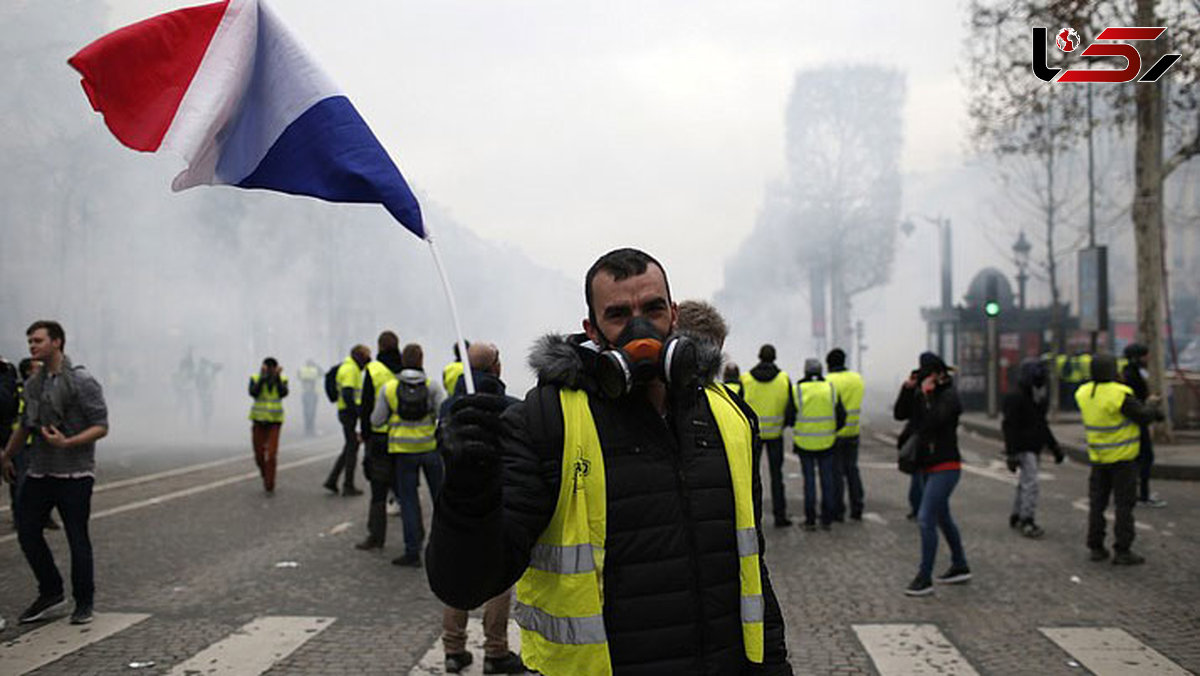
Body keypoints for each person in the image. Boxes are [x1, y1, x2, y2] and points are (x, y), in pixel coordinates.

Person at [427, 248, 792, 676]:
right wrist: (468, 494)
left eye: (652, 309)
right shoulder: (546, 423)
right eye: (619, 314)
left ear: (673, 315)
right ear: (592, 329)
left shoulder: (727, 415)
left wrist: (774, 665)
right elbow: (466, 585)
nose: (640, 328)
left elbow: (751, 568)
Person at [1, 321, 109, 625]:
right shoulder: (34, 383)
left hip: (75, 473)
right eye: (30, 342)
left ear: (57, 342)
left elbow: (101, 425)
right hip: (40, 469)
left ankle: (84, 601)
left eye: (37, 341)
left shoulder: (81, 380)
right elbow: (25, 425)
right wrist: (7, 456)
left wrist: (68, 442)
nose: (32, 346)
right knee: (27, 530)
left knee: (77, 536)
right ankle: (50, 591)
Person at [437, 342, 525, 674]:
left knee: (458, 570)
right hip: (498, 501)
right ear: (496, 367)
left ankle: (453, 647)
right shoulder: (510, 406)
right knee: (499, 579)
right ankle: (496, 651)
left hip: (455, 502)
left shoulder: (449, 407)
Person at [894, 352, 970, 597]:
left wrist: (928, 396)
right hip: (927, 465)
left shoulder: (949, 396)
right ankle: (960, 564)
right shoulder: (923, 393)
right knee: (942, 517)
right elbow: (900, 414)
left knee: (926, 517)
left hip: (946, 466)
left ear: (938, 375)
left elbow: (934, 422)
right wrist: (908, 389)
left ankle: (924, 577)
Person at [1076, 353, 1163, 565]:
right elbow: (1142, 416)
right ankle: (1122, 550)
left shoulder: (1084, 393)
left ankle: (1096, 547)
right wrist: (1152, 404)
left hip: (1098, 457)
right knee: (1124, 506)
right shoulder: (1119, 394)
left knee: (1097, 505)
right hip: (1123, 459)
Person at [372, 343, 445, 567]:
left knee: (409, 502)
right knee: (441, 501)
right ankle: (446, 547)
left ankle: (412, 551)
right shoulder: (432, 386)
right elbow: (443, 414)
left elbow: (376, 420)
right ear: (421, 360)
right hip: (429, 449)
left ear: (403, 360)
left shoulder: (390, 388)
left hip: (403, 453)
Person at [1002, 359, 1063, 538]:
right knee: (1030, 483)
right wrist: (1011, 452)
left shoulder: (1032, 395)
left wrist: (1054, 446)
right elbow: (1010, 426)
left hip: (1030, 446)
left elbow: (1041, 424)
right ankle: (1026, 519)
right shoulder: (1020, 397)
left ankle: (1017, 514)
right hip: (1024, 446)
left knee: (1025, 482)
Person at [355, 332, 403, 552]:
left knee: (378, 489)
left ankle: (376, 536)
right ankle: (413, 542)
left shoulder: (373, 370)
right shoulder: (407, 369)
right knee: (406, 491)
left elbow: (366, 407)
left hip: (379, 437)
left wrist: (364, 434)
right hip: (404, 438)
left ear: (379, 347)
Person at [740, 344, 797, 528]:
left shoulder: (746, 379)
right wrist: (783, 424)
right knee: (776, 477)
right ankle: (779, 515)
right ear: (774, 357)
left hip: (754, 435)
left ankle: (752, 518)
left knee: (752, 478)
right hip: (776, 435)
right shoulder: (783, 379)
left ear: (759, 356)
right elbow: (791, 409)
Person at [792, 358, 845, 531]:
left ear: (805, 371)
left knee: (809, 481)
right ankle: (827, 518)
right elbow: (842, 416)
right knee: (827, 480)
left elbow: (790, 416)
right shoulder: (830, 388)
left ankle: (810, 519)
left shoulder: (798, 389)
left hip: (804, 442)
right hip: (827, 442)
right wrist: (831, 429)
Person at [1121, 343, 1166, 508]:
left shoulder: (1132, 372)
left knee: (1139, 459)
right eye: (1144, 356)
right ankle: (1143, 495)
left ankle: (1137, 493)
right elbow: (1139, 402)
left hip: (1136, 421)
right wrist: (1153, 409)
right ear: (1136, 357)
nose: (1147, 359)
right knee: (1145, 457)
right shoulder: (1132, 376)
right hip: (1137, 422)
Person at [825, 348, 865, 522]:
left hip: (834, 433)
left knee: (836, 473)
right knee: (852, 470)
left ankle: (838, 510)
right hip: (853, 431)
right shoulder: (857, 379)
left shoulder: (828, 381)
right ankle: (857, 506)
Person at [325, 345, 370, 496]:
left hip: (346, 412)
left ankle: (332, 480)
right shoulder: (351, 369)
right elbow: (348, 394)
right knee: (352, 448)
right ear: (359, 356)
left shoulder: (350, 367)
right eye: (366, 357)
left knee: (350, 446)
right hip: (349, 413)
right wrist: (359, 412)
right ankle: (347, 485)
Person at [248, 357, 288, 494]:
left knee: (271, 454)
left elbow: (283, 393)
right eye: (268, 367)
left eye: (273, 367)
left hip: (274, 422)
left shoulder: (282, 379)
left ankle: (269, 483)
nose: (270, 370)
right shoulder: (255, 378)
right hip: (258, 421)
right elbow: (253, 392)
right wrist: (263, 378)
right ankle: (265, 473)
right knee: (259, 455)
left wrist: (276, 377)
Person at [297, 359, 322, 437]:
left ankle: (307, 429)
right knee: (312, 412)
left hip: (304, 393)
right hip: (313, 393)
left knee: (306, 412)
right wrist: (317, 366)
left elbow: (298, 376)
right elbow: (323, 373)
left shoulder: (302, 370)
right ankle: (311, 428)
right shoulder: (315, 370)